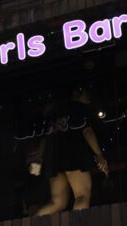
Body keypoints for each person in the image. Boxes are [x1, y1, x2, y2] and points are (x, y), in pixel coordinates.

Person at [35, 86, 109, 215]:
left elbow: (45, 138)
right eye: (87, 96)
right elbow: (87, 131)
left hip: (54, 159)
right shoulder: (79, 108)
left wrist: (39, 160)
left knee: (58, 203)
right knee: (82, 195)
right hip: (74, 155)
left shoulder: (56, 112)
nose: (89, 100)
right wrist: (99, 154)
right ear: (78, 94)